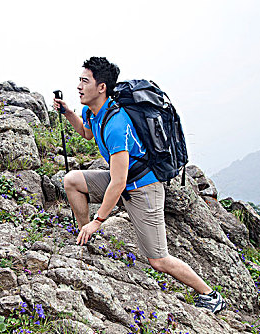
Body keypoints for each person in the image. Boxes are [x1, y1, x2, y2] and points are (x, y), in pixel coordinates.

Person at [53, 57, 226, 314]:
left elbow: (118, 182)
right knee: (72, 181)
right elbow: (87, 133)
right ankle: (84, 237)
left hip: (144, 188)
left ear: (101, 87)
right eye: (79, 80)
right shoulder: (92, 110)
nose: (79, 86)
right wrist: (68, 112)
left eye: (84, 81)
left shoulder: (116, 125)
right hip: (123, 181)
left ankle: (210, 295)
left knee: (158, 259)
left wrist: (98, 220)